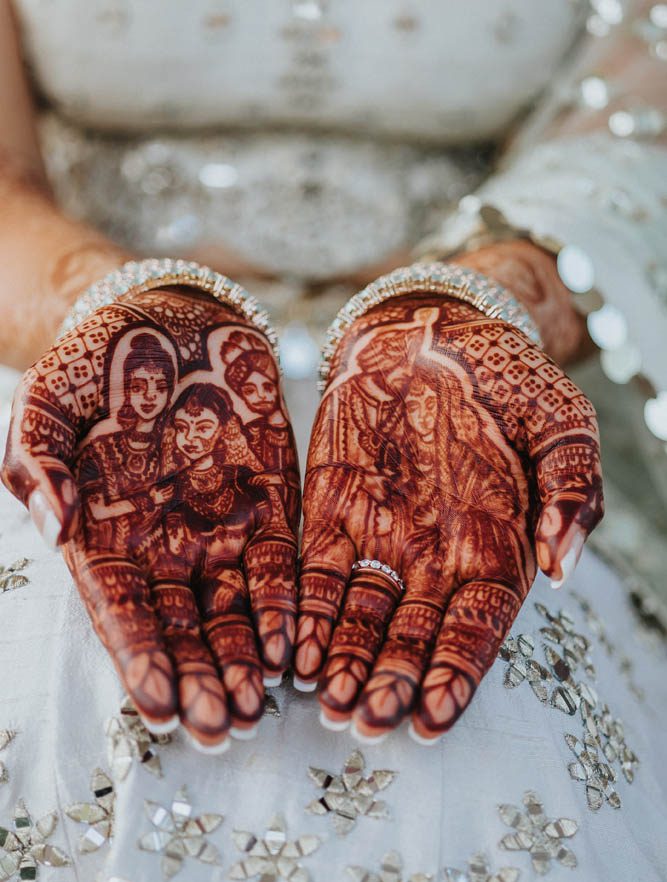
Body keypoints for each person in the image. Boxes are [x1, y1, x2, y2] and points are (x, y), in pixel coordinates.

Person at [0, 1, 665, 881]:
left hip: (460, 395)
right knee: (51, 643)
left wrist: (476, 305)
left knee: (509, 706)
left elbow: (641, 129)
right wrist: (111, 312)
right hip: (98, 362)